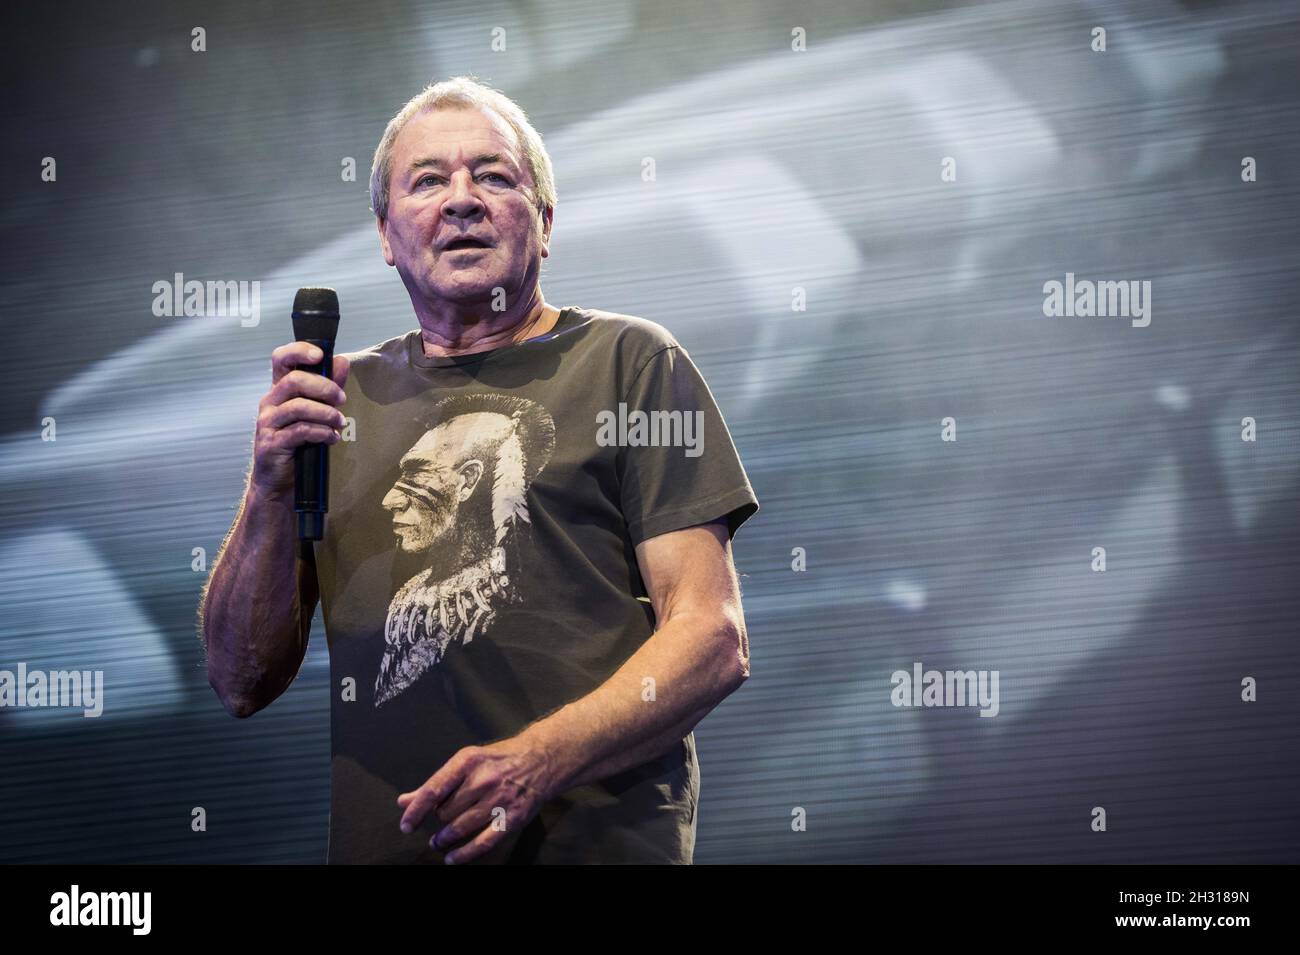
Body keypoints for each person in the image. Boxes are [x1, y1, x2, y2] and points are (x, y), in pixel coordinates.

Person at [198, 75, 759, 864]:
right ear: (387, 235)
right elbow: (240, 680)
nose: (461, 199)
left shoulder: (630, 363)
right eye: (428, 180)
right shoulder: (335, 401)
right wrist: (266, 491)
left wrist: (535, 762)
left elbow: (711, 636)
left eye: (494, 175)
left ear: (546, 220)